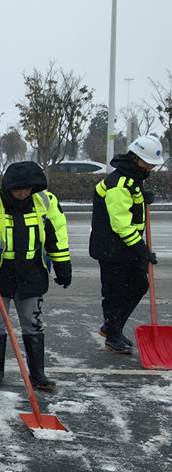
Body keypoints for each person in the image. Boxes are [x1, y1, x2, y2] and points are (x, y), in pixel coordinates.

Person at [0, 161, 71, 390]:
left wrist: (62, 263)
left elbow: (56, 234)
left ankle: (38, 374)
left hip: (31, 271)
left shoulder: (46, 201)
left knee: (33, 323)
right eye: (18, 190)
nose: (24, 194)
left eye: (28, 189)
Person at [90, 135, 166, 353]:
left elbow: (132, 203)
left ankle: (111, 328)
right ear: (135, 158)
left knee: (139, 285)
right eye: (148, 163)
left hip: (125, 246)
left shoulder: (133, 177)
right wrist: (143, 249)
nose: (151, 168)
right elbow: (121, 225)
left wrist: (142, 197)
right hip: (111, 247)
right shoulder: (118, 183)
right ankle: (113, 337)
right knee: (114, 292)